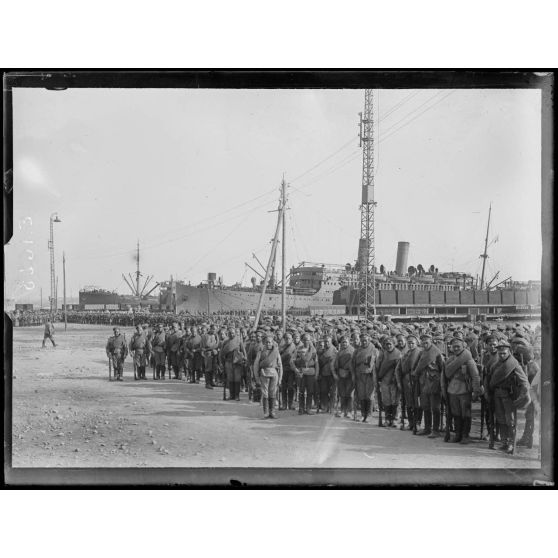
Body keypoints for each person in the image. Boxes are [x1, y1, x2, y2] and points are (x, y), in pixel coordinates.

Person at [487, 341, 531, 453]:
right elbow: (488, 380)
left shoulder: (514, 364)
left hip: (509, 396)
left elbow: (524, 382)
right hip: (497, 395)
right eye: (500, 353)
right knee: (500, 419)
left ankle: (511, 443)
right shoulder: (494, 365)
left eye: (504, 353)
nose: (502, 355)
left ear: (509, 352)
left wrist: (522, 396)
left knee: (510, 421)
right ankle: (504, 442)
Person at [442, 337, 482, 444]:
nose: (456, 349)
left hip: (464, 390)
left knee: (466, 414)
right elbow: (445, 376)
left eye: (458, 346)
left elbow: (475, 376)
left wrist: (476, 390)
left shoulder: (468, 359)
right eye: (454, 347)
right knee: (456, 414)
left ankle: (465, 435)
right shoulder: (450, 359)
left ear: (463, 346)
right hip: (452, 390)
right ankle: (458, 434)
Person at [413, 332, 445, 437]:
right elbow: (417, 367)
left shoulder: (437, 353)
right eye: (422, 341)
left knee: (435, 408)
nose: (424, 342)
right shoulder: (422, 353)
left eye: (426, 340)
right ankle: (427, 428)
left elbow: (442, 370)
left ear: (431, 341)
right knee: (425, 406)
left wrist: (441, 384)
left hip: (434, 384)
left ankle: (435, 430)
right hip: (423, 384)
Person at [253, 334, 283, 418]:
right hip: (264, 373)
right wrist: (257, 377)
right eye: (266, 342)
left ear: (273, 343)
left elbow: (280, 365)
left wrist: (280, 378)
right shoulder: (260, 352)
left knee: (273, 393)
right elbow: (256, 365)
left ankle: (272, 412)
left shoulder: (276, 352)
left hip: (274, 374)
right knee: (265, 393)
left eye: (270, 342)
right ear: (264, 343)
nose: (268, 344)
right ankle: (266, 412)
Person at [395, 334, 421, 431]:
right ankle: (411, 422)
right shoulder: (406, 354)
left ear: (416, 343)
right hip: (406, 380)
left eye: (412, 343)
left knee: (417, 403)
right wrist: (399, 381)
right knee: (409, 403)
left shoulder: (419, 353)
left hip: (416, 380)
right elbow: (399, 368)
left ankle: (417, 422)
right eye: (409, 343)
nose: (410, 345)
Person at [375, 337, 401, 427]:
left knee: (395, 400)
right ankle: (387, 419)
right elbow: (378, 366)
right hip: (384, 380)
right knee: (386, 400)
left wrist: (395, 378)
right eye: (387, 344)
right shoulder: (383, 354)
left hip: (394, 380)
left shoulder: (398, 354)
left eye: (390, 344)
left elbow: (399, 368)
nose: (388, 346)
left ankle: (394, 419)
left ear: (394, 344)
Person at [352, 332, 377, 423]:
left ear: (369, 340)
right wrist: (353, 375)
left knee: (369, 395)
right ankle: (363, 414)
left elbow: (377, 364)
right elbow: (353, 364)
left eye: (365, 340)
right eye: (362, 340)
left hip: (370, 375)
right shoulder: (357, 350)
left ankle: (369, 415)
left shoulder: (374, 349)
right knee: (362, 395)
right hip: (359, 375)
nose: (364, 342)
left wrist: (376, 377)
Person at [294, 333, 319, 415]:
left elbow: (316, 363)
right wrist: (296, 370)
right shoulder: (298, 349)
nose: (306, 341)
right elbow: (292, 361)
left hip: (311, 372)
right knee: (301, 391)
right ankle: (301, 408)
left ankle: (308, 408)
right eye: (304, 339)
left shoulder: (313, 350)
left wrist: (316, 374)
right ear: (302, 340)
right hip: (301, 372)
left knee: (310, 391)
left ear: (310, 340)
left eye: (308, 339)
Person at [219, 327, 246, 401]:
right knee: (230, 379)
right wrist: (221, 363)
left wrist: (244, 360)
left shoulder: (239, 341)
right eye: (230, 333)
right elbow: (221, 353)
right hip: (228, 362)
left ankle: (237, 396)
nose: (232, 334)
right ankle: (231, 395)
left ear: (235, 333)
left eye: (233, 333)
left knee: (237, 379)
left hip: (237, 363)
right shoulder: (225, 342)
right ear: (228, 334)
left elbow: (243, 351)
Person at [334, 335, 354, 417]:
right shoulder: (339, 352)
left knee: (349, 394)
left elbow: (353, 364)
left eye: (346, 342)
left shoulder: (352, 351)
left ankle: (349, 411)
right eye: (342, 342)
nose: (344, 343)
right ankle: (343, 410)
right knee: (342, 393)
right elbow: (336, 364)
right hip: (341, 374)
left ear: (349, 342)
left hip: (349, 374)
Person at [317, 335, 338, 413]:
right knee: (324, 391)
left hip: (332, 375)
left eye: (328, 341)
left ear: (331, 342)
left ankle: (332, 407)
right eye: (325, 341)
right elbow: (318, 363)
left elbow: (337, 363)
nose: (326, 343)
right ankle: (325, 407)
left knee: (333, 392)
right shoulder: (321, 351)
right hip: (323, 374)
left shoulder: (334, 351)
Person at [279, 331, 297, 410]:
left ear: (292, 339)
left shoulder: (293, 347)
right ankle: (284, 403)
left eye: (289, 338)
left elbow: (289, 356)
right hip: (283, 369)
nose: (287, 340)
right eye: (286, 338)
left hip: (291, 370)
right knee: (283, 387)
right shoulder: (282, 347)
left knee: (290, 387)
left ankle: (290, 403)